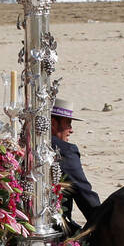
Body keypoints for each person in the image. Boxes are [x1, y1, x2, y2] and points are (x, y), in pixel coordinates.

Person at [50, 98, 100, 230]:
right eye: (68, 123)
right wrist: (102, 223)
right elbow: (84, 195)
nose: (71, 130)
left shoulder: (22, 143)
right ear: (53, 123)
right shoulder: (65, 151)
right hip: (55, 230)